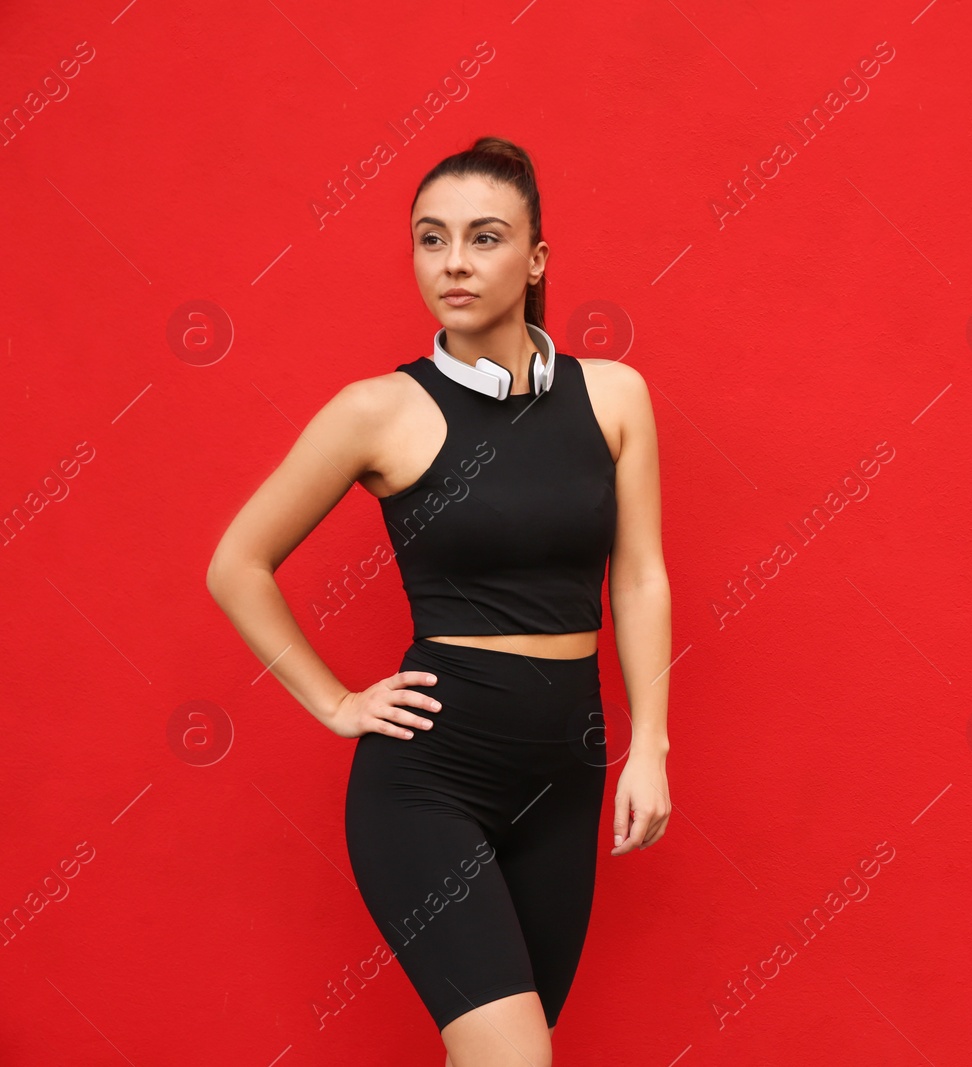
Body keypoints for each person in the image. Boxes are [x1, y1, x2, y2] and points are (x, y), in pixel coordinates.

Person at [206, 135, 671, 1067]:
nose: (454, 261)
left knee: (494, 1056)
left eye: (485, 236)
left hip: (566, 777)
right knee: (516, 1061)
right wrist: (336, 702)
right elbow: (237, 564)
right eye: (431, 238)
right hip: (427, 782)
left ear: (537, 258)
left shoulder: (613, 395)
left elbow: (640, 576)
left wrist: (650, 742)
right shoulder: (376, 410)